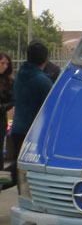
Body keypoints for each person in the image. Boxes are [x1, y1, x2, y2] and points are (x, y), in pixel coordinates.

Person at [4, 41, 53, 190]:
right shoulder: (42, 81)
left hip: (18, 128)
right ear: (45, 59)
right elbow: (52, 105)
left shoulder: (20, 75)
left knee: (20, 167)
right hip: (33, 132)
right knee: (26, 170)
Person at [0, 52, 14, 166]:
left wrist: (3, 107)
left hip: (1, 116)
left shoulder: (9, 81)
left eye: (6, 64)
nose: (4, 66)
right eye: (2, 63)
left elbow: (12, 100)